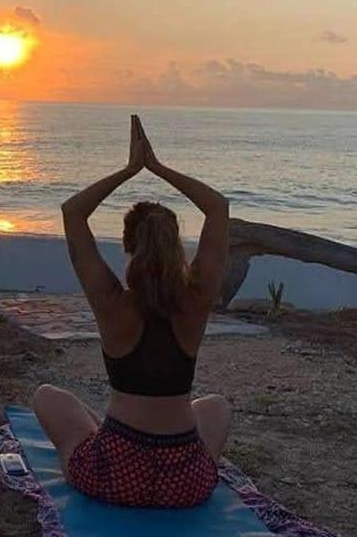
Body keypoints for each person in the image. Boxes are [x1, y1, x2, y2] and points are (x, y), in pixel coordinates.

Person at [33, 115, 231, 509]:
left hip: (114, 474)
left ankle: (99, 430)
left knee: (47, 397)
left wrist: (130, 170)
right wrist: (159, 168)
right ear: (176, 246)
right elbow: (218, 208)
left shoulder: (112, 303)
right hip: (185, 482)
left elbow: (73, 213)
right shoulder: (195, 300)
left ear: (128, 246)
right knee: (218, 407)